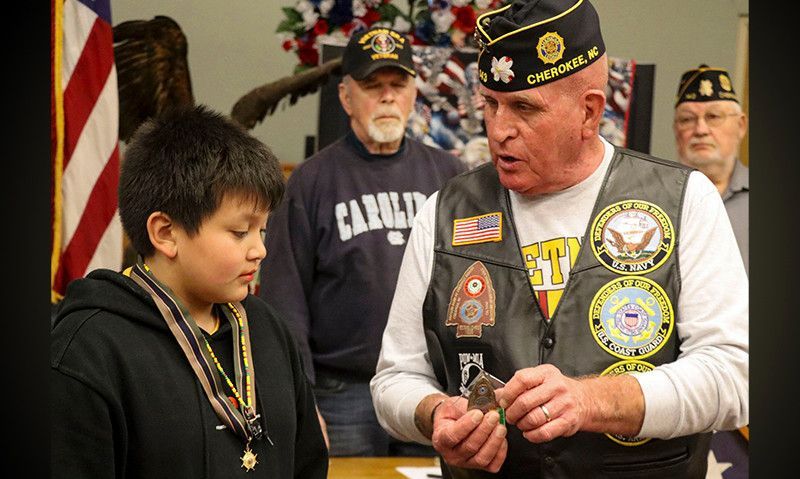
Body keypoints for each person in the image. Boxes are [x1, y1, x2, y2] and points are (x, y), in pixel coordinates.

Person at [370, 1, 749, 477]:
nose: (499, 129)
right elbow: (394, 379)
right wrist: (432, 415)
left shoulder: (683, 200)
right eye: (490, 103)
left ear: (589, 111)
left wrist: (593, 400)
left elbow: (736, 377)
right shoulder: (444, 213)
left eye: (524, 108)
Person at [51, 105, 328, 478]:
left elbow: (307, 464)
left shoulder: (268, 329)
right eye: (239, 232)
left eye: (262, 230)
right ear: (166, 233)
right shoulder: (89, 349)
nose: (259, 250)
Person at [257, 26, 465, 457]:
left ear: (413, 94)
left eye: (398, 85)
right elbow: (284, 299)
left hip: (429, 391)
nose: (387, 96)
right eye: (373, 86)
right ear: (346, 96)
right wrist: (302, 398)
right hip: (340, 393)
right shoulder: (310, 182)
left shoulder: (451, 177)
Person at [674, 64, 749, 273]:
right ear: (675, 129)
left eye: (713, 117)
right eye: (687, 119)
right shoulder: (654, 197)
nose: (700, 130)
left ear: (741, 126)